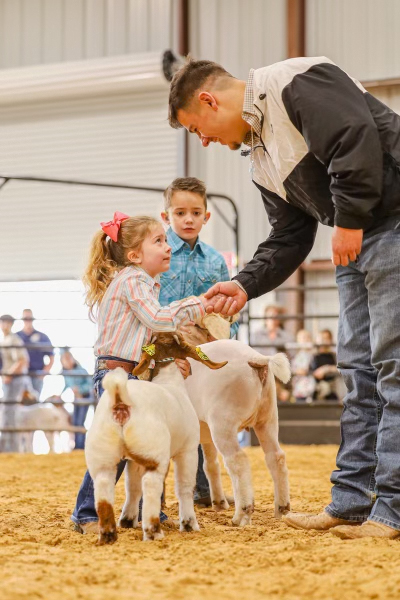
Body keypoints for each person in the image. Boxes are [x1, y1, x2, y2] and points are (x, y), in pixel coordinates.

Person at [168, 56, 400, 539]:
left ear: (209, 101)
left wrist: (349, 219)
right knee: (358, 370)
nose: (204, 140)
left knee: (392, 365)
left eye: (196, 128)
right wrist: (244, 284)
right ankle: (352, 502)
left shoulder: (295, 80)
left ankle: (392, 511)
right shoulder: (260, 159)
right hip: (356, 234)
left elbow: (354, 136)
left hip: (387, 221)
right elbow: (290, 235)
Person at [71, 212, 210, 534]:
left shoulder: (143, 283)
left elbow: (144, 343)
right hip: (115, 373)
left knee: (146, 437)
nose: (168, 246)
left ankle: (150, 511)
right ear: (135, 255)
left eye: (166, 240)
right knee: (114, 444)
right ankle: (87, 513)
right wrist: (199, 304)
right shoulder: (133, 281)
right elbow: (159, 320)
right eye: (158, 241)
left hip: (127, 373)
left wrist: (167, 359)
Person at [159, 176, 238, 506]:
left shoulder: (215, 260)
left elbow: (227, 309)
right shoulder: (157, 252)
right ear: (166, 216)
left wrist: (227, 338)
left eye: (195, 213)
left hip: (203, 349)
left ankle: (202, 488)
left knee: (202, 412)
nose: (188, 219)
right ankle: (156, 495)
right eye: (180, 213)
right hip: (163, 347)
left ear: (206, 217)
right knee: (164, 413)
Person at [0, 314, 30, 452]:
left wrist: (9, 374)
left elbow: (22, 360)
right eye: (2, 322)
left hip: (14, 379)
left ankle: (11, 448)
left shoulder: (13, 339)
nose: (4, 325)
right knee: (7, 412)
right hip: (9, 380)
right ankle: (7, 447)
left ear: (11, 324)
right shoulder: (6, 339)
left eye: (6, 323)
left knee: (10, 412)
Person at [17, 309, 54, 398]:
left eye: (30, 318)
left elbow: (51, 357)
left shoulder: (42, 337)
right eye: (25, 318)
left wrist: (43, 373)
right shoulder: (16, 337)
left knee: (35, 401)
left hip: (37, 376)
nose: (28, 321)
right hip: (20, 376)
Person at [60, 350, 93, 450]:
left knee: (80, 421)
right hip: (76, 397)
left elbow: (90, 384)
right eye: (65, 360)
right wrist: (60, 394)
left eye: (68, 359)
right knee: (75, 421)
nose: (67, 362)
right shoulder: (66, 373)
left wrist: (80, 389)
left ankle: (80, 446)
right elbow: (67, 385)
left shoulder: (81, 370)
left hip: (85, 396)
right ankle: (77, 445)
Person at [311, 329, 339, 402]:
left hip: (331, 389)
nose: (323, 341)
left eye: (326, 338)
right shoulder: (313, 355)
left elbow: (340, 368)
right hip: (315, 390)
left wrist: (326, 369)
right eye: (321, 338)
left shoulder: (333, 355)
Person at [290, 329, 315, 403]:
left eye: (308, 337)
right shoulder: (296, 356)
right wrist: (297, 371)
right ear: (298, 341)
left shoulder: (314, 355)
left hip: (311, 385)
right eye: (303, 338)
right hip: (300, 386)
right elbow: (293, 368)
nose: (306, 340)